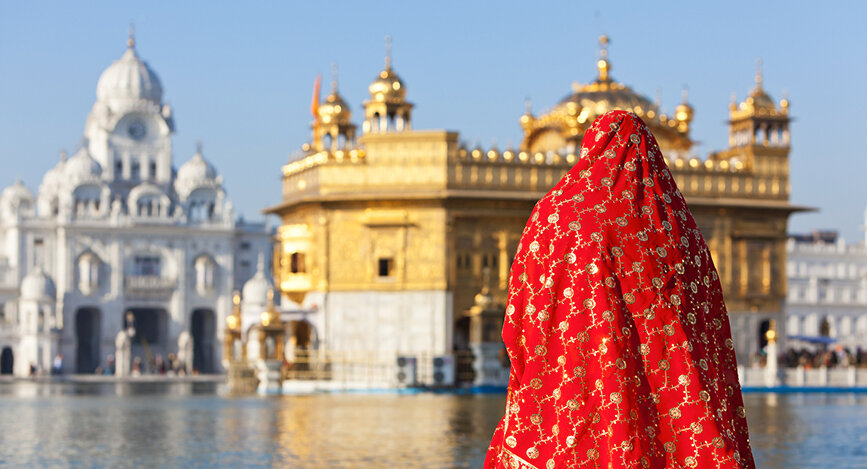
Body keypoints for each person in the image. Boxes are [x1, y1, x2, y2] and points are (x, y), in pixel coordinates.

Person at [485, 111, 754, 468]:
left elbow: (520, 314)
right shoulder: (678, 226)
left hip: (568, 396)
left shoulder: (554, 213)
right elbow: (705, 325)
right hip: (667, 406)